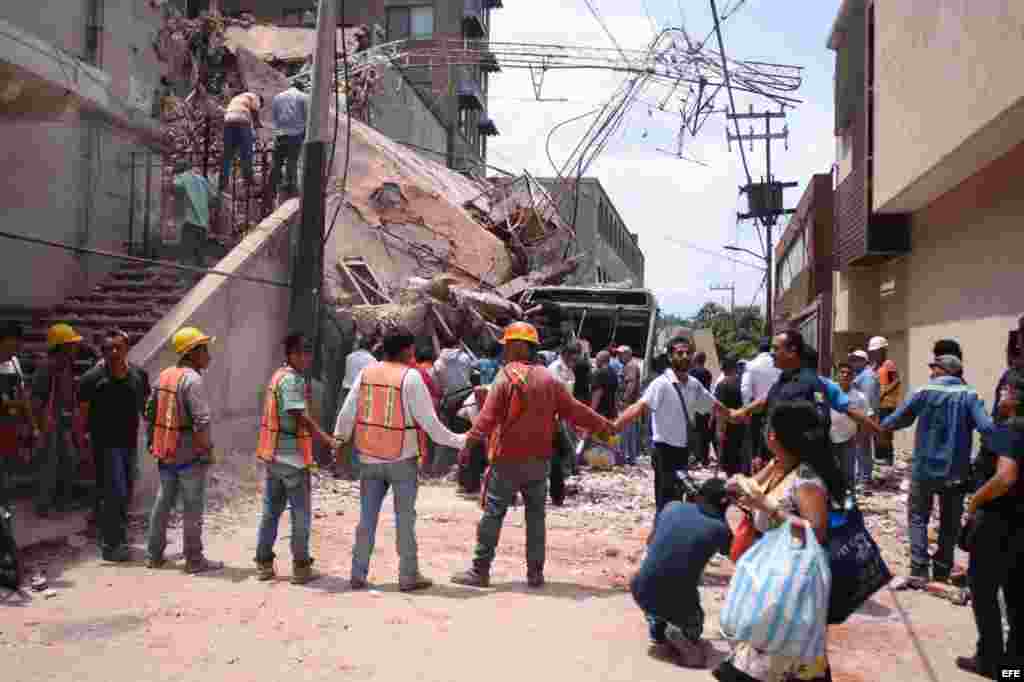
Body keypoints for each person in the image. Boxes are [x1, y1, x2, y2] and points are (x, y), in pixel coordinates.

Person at [451, 322, 613, 588]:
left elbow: (485, 421)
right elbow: (575, 410)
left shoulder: (505, 377)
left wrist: (468, 448)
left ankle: (480, 570)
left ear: (515, 347)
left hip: (506, 462)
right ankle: (535, 573)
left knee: (493, 513)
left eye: (507, 346)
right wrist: (605, 427)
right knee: (536, 518)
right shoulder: (549, 379)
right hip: (539, 462)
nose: (505, 351)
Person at [715, 400, 846, 682]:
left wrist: (769, 507)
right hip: (770, 572)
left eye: (768, 427)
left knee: (781, 654)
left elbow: (817, 531)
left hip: (792, 581)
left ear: (776, 435)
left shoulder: (807, 478)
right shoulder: (779, 466)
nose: (765, 431)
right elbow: (752, 489)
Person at [334, 327, 467, 592]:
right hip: (402, 459)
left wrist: (338, 441)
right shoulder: (411, 377)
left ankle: (357, 574)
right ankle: (408, 575)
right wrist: (460, 440)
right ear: (408, 350)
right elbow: (431, 425)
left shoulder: (366, 373)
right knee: (404, 518)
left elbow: (347, 413)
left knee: (367, 518)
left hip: (369, 456)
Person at [879, 354, 995, 587]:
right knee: (950, 522)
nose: (931, 372)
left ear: (944, 370)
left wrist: (880, 427)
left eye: (934, 368)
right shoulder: (970, 395)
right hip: (956, 471)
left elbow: (899, 419)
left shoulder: (923, 391)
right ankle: (942, 570)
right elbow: (987, 427)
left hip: (924, 470)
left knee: (918, 516)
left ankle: (919, 570)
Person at [614, 335, 740, 513]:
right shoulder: (661, 384)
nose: (685, 356)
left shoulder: (694, 384)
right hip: (664, 451)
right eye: (680, 353)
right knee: (665, 501)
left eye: (688, 353)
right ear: (670, 357)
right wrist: (615, 426)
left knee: (679, 498)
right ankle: (661, 533)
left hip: (683, 451)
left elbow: (715, 405)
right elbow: (640, 406)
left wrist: (734, 414)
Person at [254, 333, 339, 584]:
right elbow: (298, 413)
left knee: (271, 512)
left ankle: (263, 563)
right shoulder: (291, 380)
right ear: (290, 354)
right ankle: (301, 567)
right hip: (292, 458)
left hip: (274, 455)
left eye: (308, 352)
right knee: (300, 514)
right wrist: (325, 438)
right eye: (301, 352)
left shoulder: (278, 376)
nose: (306, 357)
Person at [957, 368, 1024, 678]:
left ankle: (990, 660)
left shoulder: (1008, 429)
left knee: (983, 593)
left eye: (1002, 391)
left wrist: (974, 502)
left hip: (997, 523)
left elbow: (1006, 476)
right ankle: (1014, 670)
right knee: (1015, 598)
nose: (998, 396)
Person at [145, 326, 222, 573]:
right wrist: (207, 450)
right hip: (189, 454)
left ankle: (154, 555)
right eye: (205, 350)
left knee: (163, 503)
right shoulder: (193, 380)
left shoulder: (164, 375)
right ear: (193, 352)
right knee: (192, 508)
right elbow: (202, 421)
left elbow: (149, 412)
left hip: (166, 451)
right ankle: (194, 559)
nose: (208, 355)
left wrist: (152, 441)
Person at [632, 478, 732, 667]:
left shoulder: (671, 506)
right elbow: (732, 553)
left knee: (662, 581)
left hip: (640, 589)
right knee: (696, 627)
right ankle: (681, 633)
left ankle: (657, 625)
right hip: (675, 599)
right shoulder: (721, 528)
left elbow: (650, 542)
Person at [78, 330, 150, 562]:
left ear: (127, 348)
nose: (114, 353)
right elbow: (82, 415)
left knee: (125, 490)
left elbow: (144, 407)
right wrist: (82, 443)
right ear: (103, 352)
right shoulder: (92, 379)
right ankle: (112, 544)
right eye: (108, 349)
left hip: (129, 442)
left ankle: (106, 531)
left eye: (118, 347)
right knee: (115, 492)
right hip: (104, 444)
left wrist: (152, 435)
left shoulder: (138, 375)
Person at [32, 323, 84, 517]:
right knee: (49, 465)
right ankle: (44, 506)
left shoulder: (65, 366)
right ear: (62, 347)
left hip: (62, 423)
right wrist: (38, 427)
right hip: (50, 424)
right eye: (71, 344)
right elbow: (36, 400)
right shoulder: (46, 368)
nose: (75, 348)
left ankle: (61, 503)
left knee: (68, 461)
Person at [0, 322, 34, 534]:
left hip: (9, 427)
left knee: (7, 470)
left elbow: (23, 395)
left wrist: (31, 424)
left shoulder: (14, 363)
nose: (16, 348)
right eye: (12, 343)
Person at [831, 362, 870, 505]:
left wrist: (859, 438)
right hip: (829, 440)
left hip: (849, 440)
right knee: (831, 473)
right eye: (842, 372)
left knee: (848, 474)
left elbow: (864, 420)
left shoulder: (860, 397)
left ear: (853, 377)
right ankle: (833, 504)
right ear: (837, 375)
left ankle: (849, 505)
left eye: (848, 373)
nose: (845, 375)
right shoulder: (829, 392)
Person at [338, 337, 377, 475]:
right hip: (363, 395)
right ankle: (356, 469)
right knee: (359, 432)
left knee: (343, 430)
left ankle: (341, 467)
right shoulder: (373, 360)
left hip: (346, 392)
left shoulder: (349, 357)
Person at [741, 338, 781, 471]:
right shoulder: (778, 364)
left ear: (758, 349)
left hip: (757, 411)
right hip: (777, 410)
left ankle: (758, 476)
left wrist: (747, 409)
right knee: (775, 447)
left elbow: (745, 390)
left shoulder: (751, 365)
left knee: (756, 448)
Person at [172, 159, 218, 267]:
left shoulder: (181, 177)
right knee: (199, 255)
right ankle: (201, 279)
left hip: (189, 222)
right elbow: (213, 197)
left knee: (186, 255)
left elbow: (175, 187)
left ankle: (186, 278)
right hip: (203, 223)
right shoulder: (201, 179)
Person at [269, 82, 309, 196]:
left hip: (280, 134)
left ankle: (272, 189)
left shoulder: (278, 97)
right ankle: (291, 189)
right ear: (301, 88)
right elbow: (307, 117)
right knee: (292, 161)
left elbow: (275, 117)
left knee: (277, 162)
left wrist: (278, 130)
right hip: (296, 134)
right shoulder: (303, 97)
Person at [848, 349, 880, 488]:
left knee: (863, 448)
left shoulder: (867, 377)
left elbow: (869, 400)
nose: (853, 363)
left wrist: (867, 420)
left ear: (863, 361)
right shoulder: (861, 375)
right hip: (858, 417)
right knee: (860, 447)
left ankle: (864, 478)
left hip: (864, 417)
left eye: (856, 360)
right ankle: (861, 476)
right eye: (852, 360)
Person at [220, 91, 263, 193]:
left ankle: (222, 182)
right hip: (242, 122)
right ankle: (248, 180)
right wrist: (258, 137)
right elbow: (255, 116)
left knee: (227, 154)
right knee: (246, 152)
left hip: (228, 121)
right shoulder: (255, 97)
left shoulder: (237, 98)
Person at [870, 336, 901, 466]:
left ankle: (888, 458)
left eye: (877, 351)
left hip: (887, 404)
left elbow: (896, 381)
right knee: (876, 431)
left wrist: (884, 392)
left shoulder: (888, 364)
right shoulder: (875, 366)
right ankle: (879, 457)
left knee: (885, 432)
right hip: (876, 404)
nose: (875, 354)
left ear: (883, 350)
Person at [714, 357, 746, 477]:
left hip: (728, 427)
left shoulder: (722, 385)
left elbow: (720, 410)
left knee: (730, 464)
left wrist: (719, 430)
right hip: (744, 426)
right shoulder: (743, 382)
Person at [619, 346, 643, 465]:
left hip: (628, 404)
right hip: (631, 403)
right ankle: (631, 457)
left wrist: (624, 399)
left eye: (621, 354)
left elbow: (631, 383)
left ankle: (625, 457)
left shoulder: (630, 366)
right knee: (630, 430)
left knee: (626, 430)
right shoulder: (630, 365)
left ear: (628, 354)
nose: (618, 356)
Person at [689, 351, 714, 467]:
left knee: (694, 431)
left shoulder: (691, 372)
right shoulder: (708, 373)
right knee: (705, 432)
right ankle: (705, 459)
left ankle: (695, 457)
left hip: (694, 404)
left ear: (695, 359)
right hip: (705, 404)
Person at [591, 350, 619, 421]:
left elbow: (597, 393)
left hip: (600, 412)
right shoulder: (613, 373)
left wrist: (591, 411)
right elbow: (615, 393)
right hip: (610, 413)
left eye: (596, 359)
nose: (595, 362)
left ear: (600, 360)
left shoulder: (598, 373)